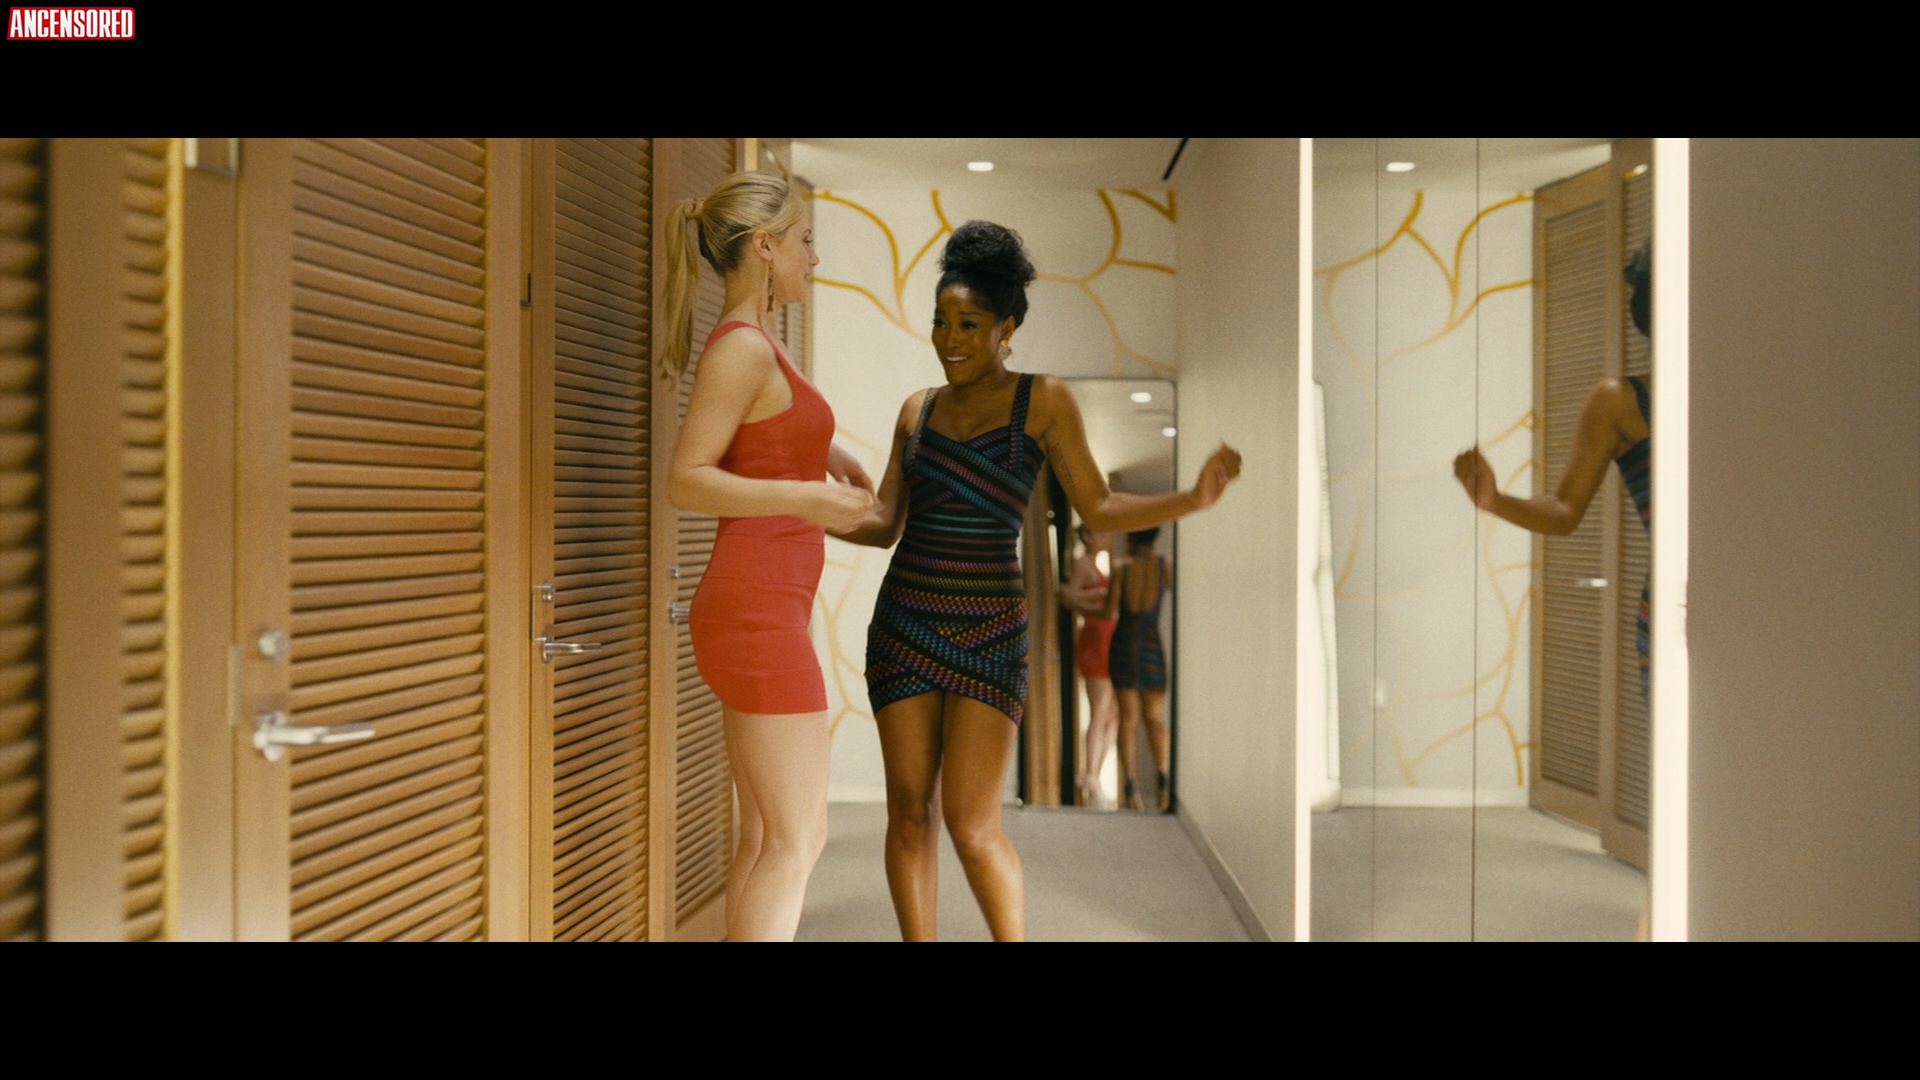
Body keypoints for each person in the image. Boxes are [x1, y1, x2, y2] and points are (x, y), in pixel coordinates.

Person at [838, 221, 1242, 941]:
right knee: (909, 815)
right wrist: (805, 506)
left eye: (969, 324)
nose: (949, 338)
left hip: (992, 633)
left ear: (1007, 329)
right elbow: (882, 522)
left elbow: (1099, 505)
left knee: (971, 824)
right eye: (940, 321)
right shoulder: (916, 410)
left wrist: (1193, 500)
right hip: (904, 625)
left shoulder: (1043, 399)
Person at [664, 172, 876, 942]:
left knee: (765, 835)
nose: (813, 258)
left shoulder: (760, 344)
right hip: (755, 615)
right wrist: (807, 496)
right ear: (764, 246)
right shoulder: (745, 349)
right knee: (798, 838)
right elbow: (686, 479)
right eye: (804, 241)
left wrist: (826, 457)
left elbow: (761, 442)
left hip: (760, 609)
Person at [1453, 245, 1653, 937]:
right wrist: (1494, 501)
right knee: (1683, 795)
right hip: (1674, 609)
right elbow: (1566, 511)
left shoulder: (1748, 384)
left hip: (1767, 607)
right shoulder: (1620, 401)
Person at [1108, 527, 1172, 812]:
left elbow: (1108, 612)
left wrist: (1074, 601)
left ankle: (1130, 786)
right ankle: (1163, 777)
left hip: (1124, 645)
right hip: (1151, 646)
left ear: (1130, 538)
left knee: (1128, 718)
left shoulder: (1121, 568)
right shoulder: (1163, 566)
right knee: (1155, 717)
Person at [1060, 526, 1118, 807]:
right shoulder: (1083, 564)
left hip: (1109, 640)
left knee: (1113, 714)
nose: (1107, 538)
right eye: (1101, 534)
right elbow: (1066, 595)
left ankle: (1095, 774)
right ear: (1087, 537)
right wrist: (1098, 600)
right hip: (1095, 639)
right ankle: (1091, 773)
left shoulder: (1099, 565)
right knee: (1100, 709)